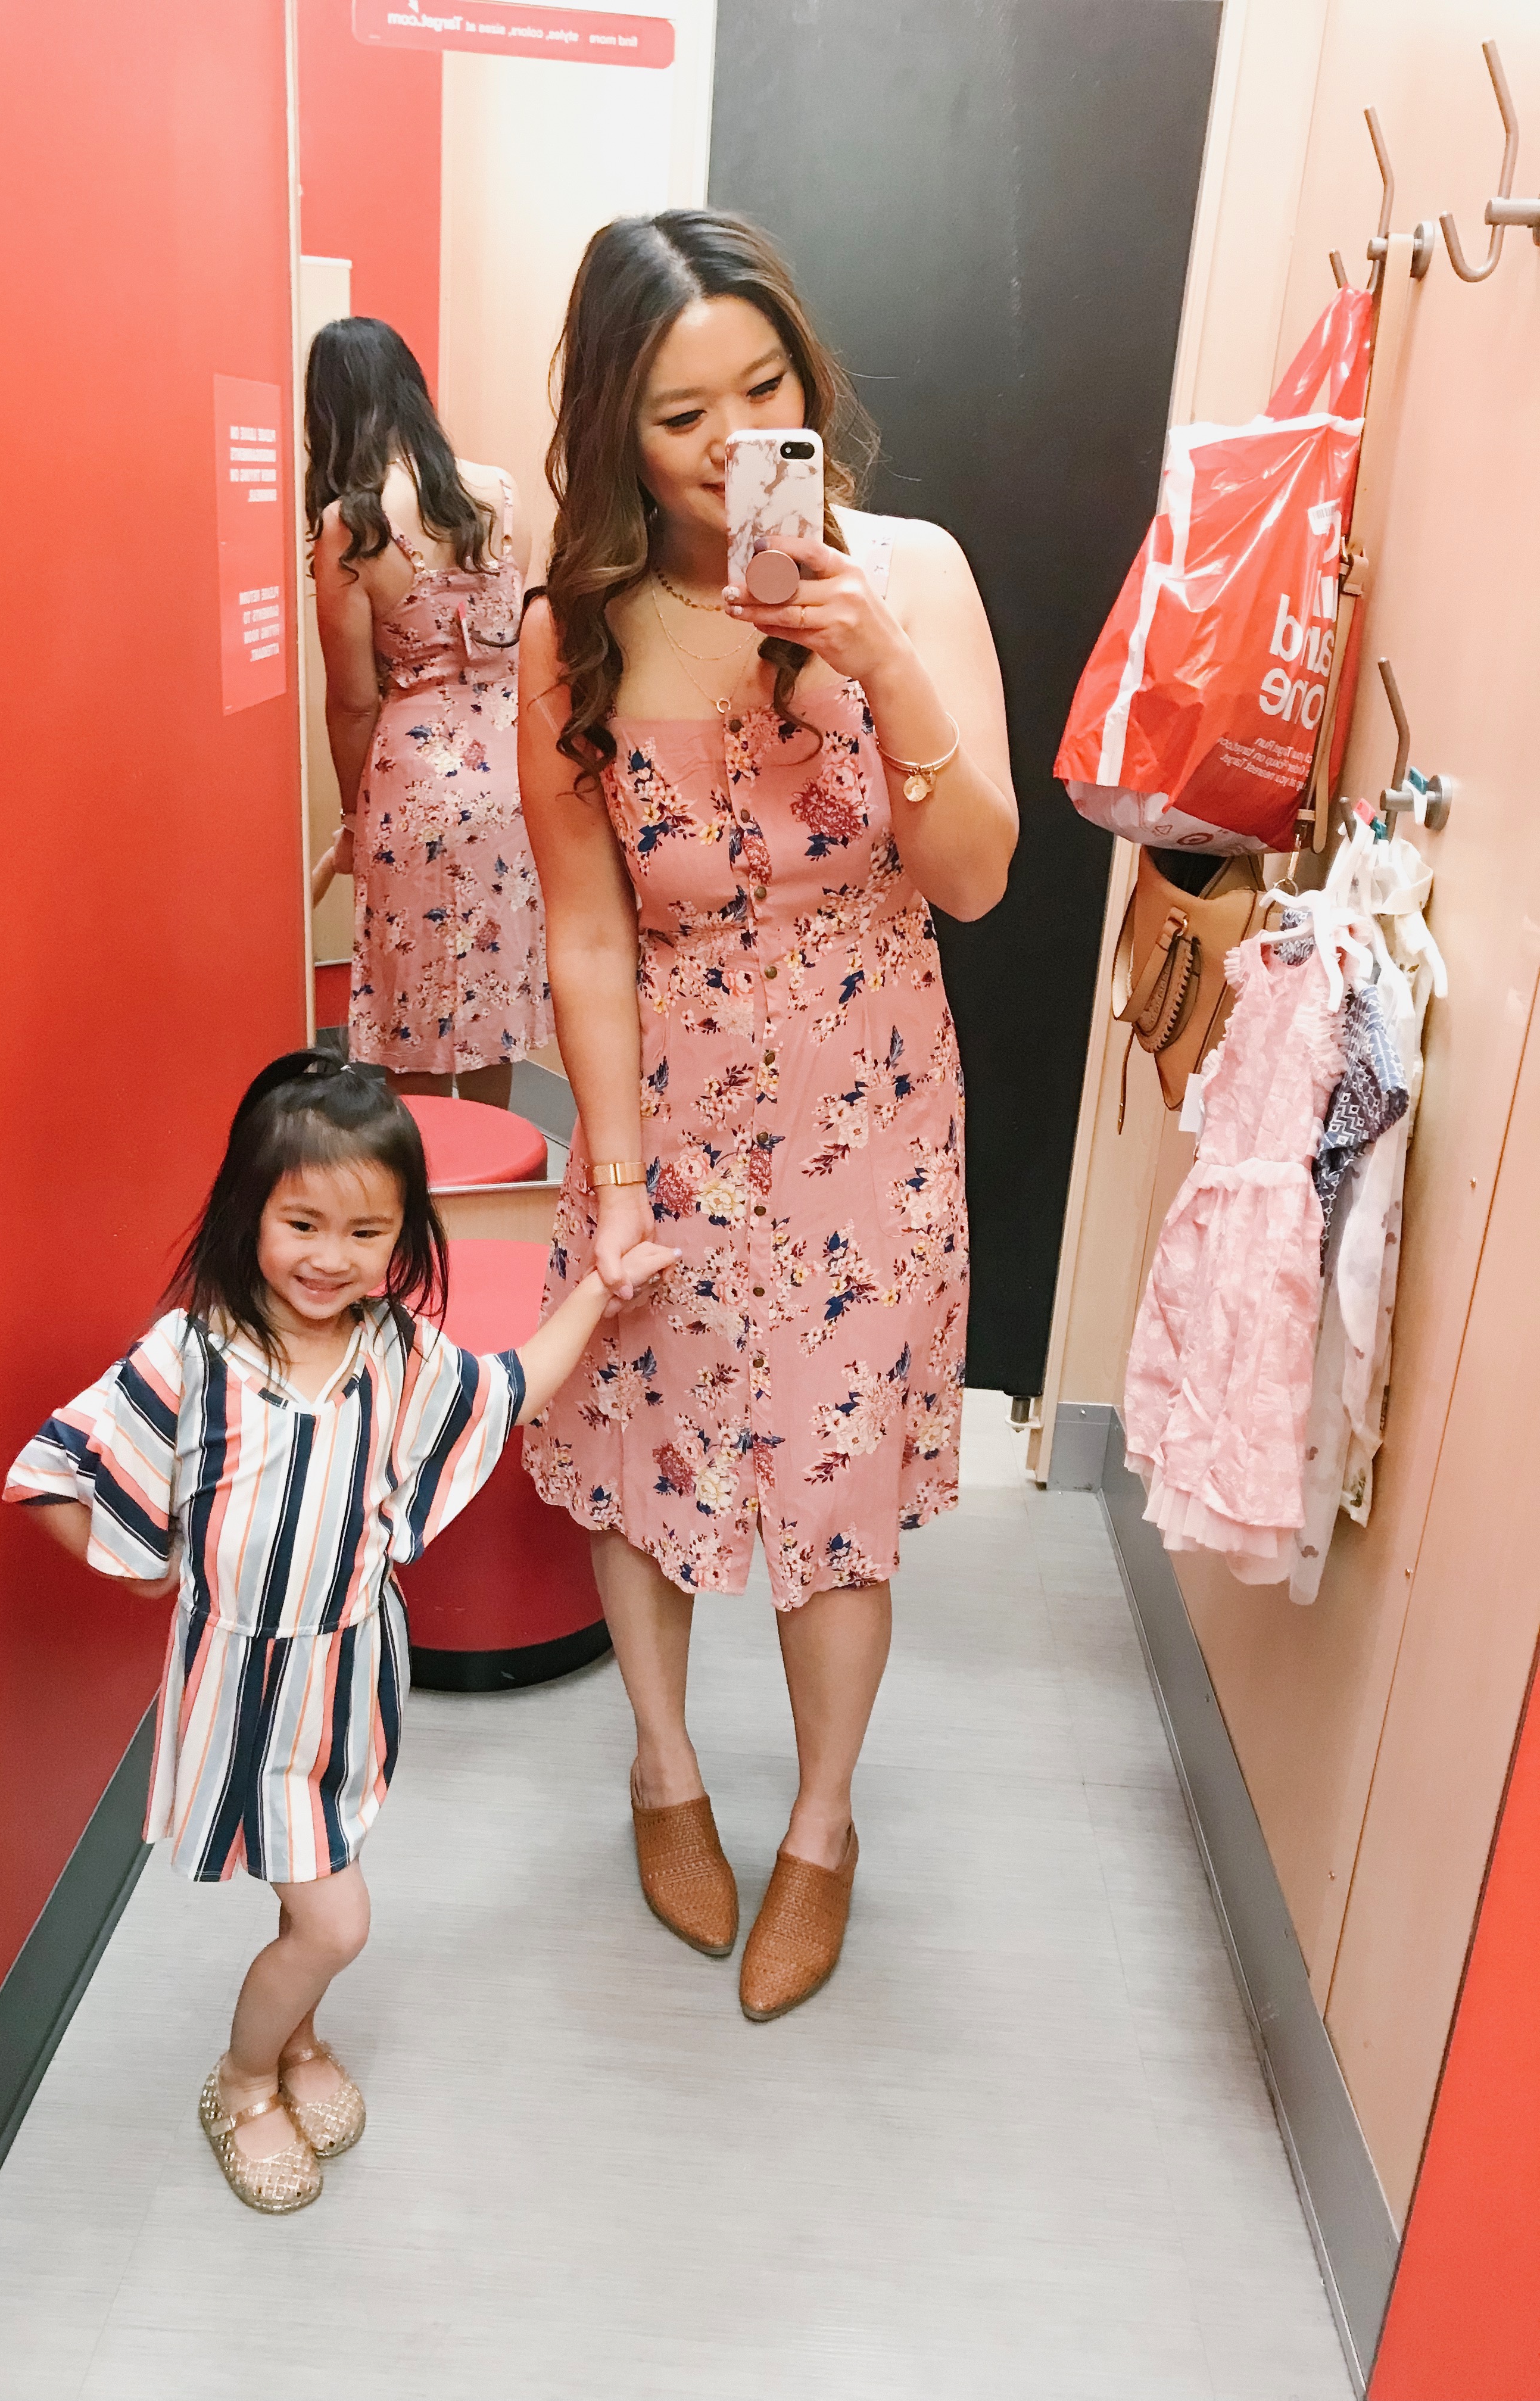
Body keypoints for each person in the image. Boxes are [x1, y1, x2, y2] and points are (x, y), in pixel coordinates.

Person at [519, 212, 1018, 2022]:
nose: (733, 449)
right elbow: (584, 925)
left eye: (764, 393)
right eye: (678, 417)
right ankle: (663, 1768)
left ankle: (821, 1826)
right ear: (612, 429)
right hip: (663, 1115)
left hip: (875, 1114)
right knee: (643, 1453)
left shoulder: (917, 573)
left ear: (810, 385)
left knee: (838, 1485)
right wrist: (620, 1177)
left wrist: (884, 666)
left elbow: (975, 883)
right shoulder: (572, 627)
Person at [5, 1053, 675, 2211]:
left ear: (403, 1237)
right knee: (335, 1916)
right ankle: (246, 2076)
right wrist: (137, 1568)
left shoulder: (394, 1356)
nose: (331, 1256)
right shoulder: (194, 1360)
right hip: (246, 1685)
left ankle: (303, 2043)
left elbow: (507, 1389)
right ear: (247, 1211)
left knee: (313, 1874)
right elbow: (53, 1467)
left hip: (353, 1670)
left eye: (365, 1232)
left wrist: (599, 1295)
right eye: (302, 1220)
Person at [306, 317, 551, 1106]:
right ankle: (491, 1197)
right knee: (488, 1010)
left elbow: (351, 701)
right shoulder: (498, 494)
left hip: (411, 786)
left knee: (414, 1012)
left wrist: (349, 813)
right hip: (510, 776)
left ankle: (423, 1194)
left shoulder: (354, 523)